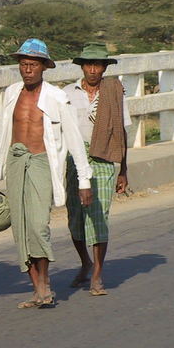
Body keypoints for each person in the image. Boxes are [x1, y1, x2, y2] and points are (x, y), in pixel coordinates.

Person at [0, 38, 93, 309]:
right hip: (16, 161)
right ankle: (37, 289)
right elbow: (2, 132)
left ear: (43, 67)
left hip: (43, 162)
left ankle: (45, 282)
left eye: (32, 65)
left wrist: (84, 180)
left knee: (39, 225)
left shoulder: (56, 97)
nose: (27, 70)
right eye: (23, 64)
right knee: (21, 226)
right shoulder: (11, 93)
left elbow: (74, 139)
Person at [63, 42, 131, 296]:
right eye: (89, 64)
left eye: (98, 65)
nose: (93, 70)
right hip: (74, 160)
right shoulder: (67, 93)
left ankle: (98, 275)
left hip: (103, 159)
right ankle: (85, 263)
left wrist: (123, 169)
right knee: (75, 217)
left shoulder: (114, 92)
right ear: (82, 67)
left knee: (99, 217)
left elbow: (122, 131)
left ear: (104, 68)